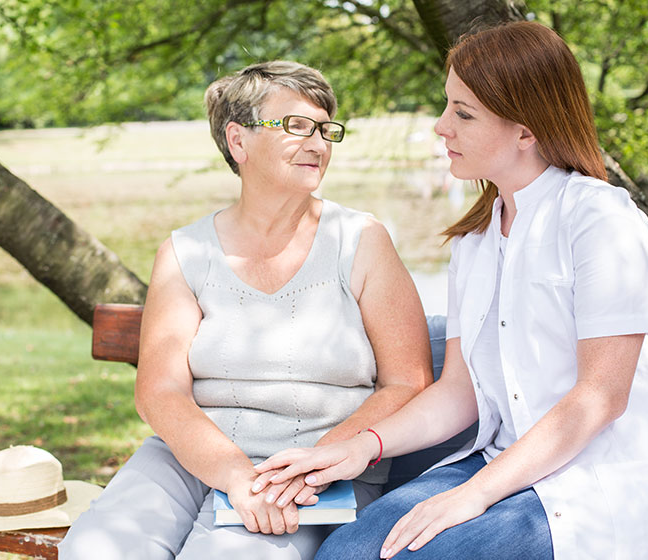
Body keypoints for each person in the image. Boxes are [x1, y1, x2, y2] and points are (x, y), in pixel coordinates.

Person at [253, 21, 648, 559]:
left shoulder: (601, 220)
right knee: (345, 553)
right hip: (503, 463)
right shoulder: (475, 241)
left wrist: (472, 496)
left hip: (598, 482)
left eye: (463, 113)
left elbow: (600, 398)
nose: (441, 126)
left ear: (525, 131)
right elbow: (459, 391)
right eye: (446, 106)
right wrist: (361, 446)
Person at [57, 60, 433, 560]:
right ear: (238, 141)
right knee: (95, 551)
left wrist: (317, 462)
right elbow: (159, 390)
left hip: (313, 470)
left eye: (325, 130)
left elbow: (407, 382)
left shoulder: (361, 240)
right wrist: (234, 474)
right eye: (297, 126)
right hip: (189, 454)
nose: (318, 144)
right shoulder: (186, 251)